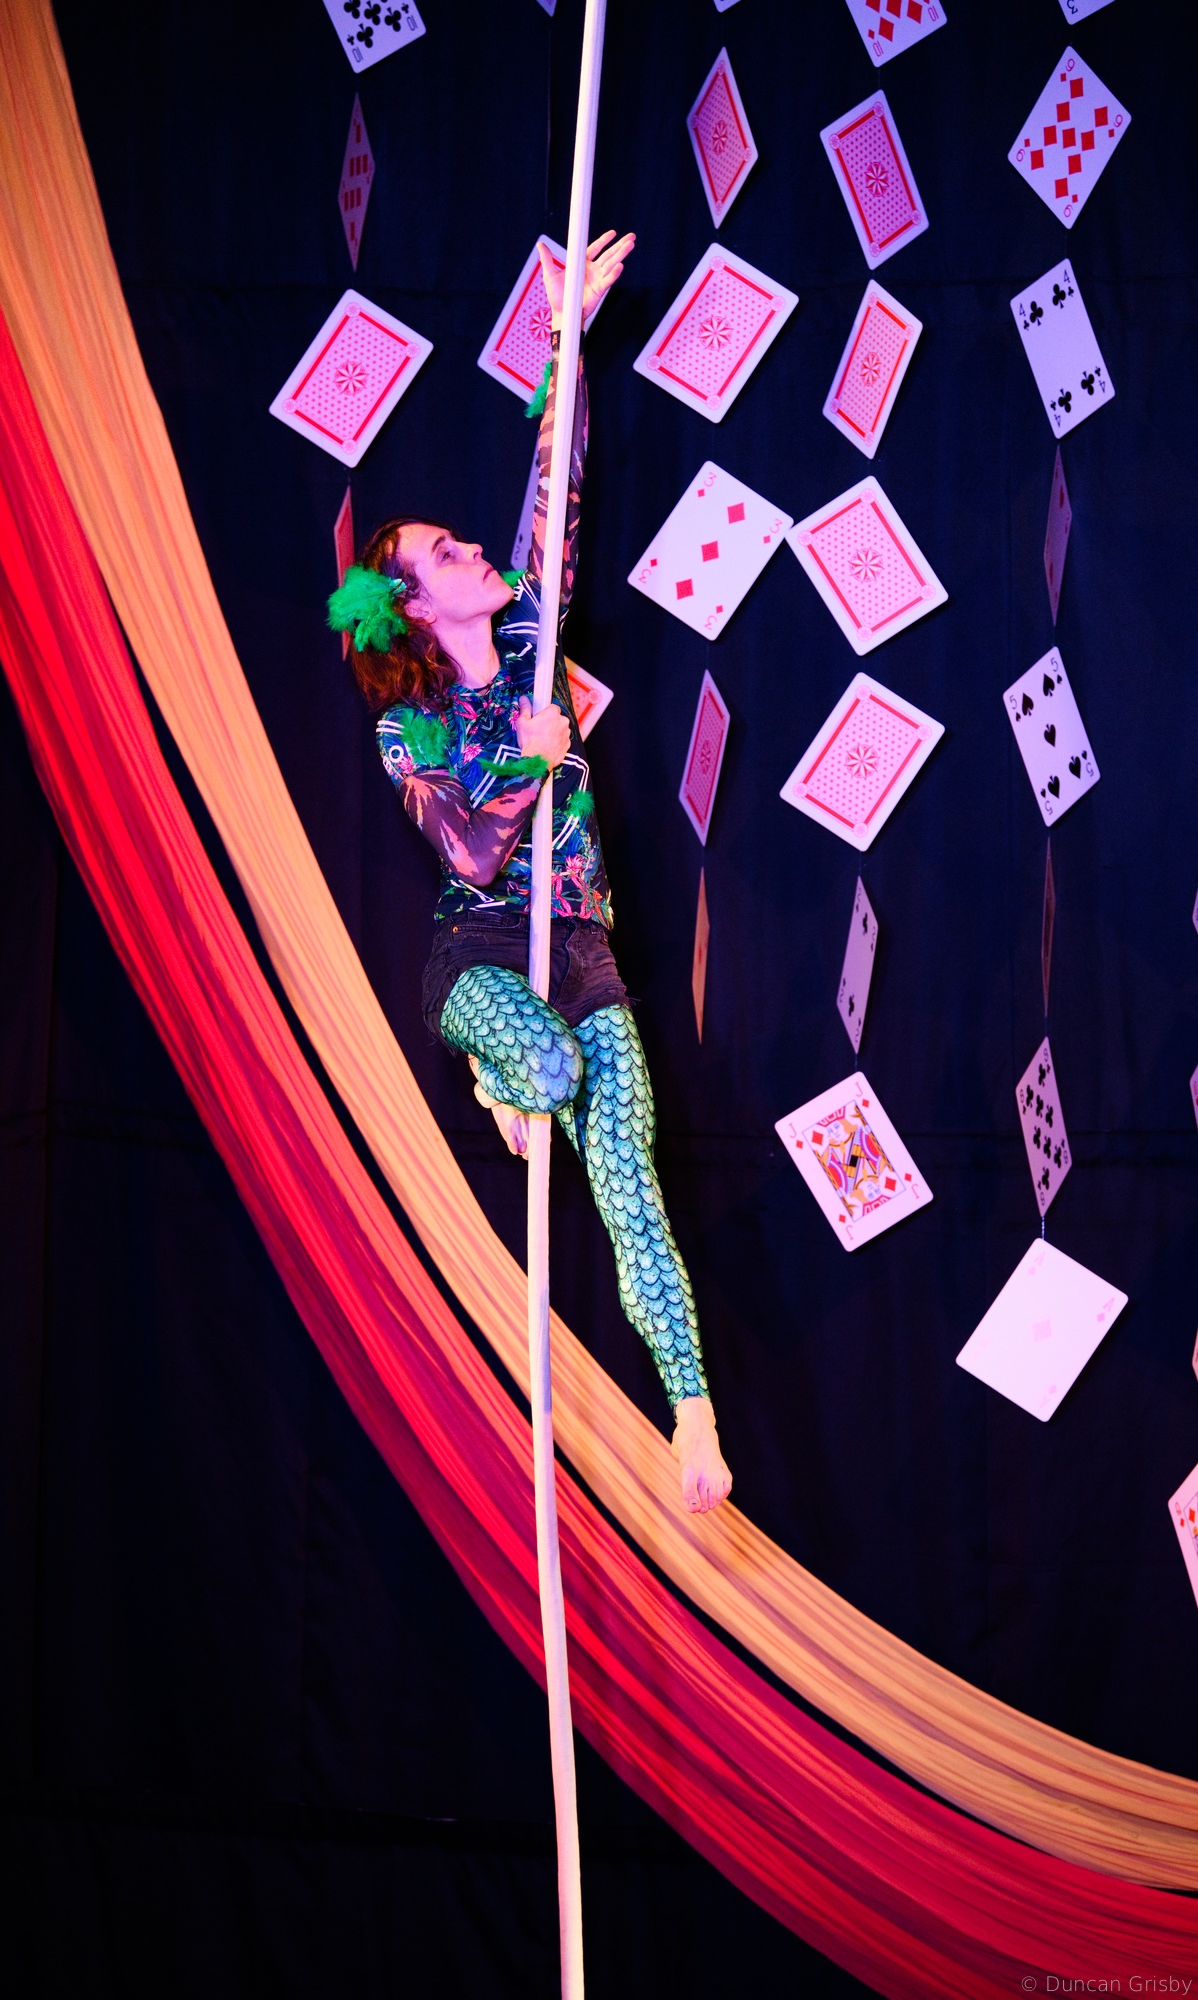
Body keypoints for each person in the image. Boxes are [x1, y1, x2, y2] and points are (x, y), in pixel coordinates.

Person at [330, 234, 732, 1514]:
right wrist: (529, 756)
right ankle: (494, 1071)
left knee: (628, 1170)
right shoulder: (408, 728)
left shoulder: (526, 640)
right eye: (446, 552)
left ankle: (692, 1415)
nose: (473, 551)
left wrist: (565, 342)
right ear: (413, 607)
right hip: (480, 957)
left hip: (582, 939)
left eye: (463, 539)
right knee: (548, 1072)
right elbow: (463, 846)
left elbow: (554, 491)